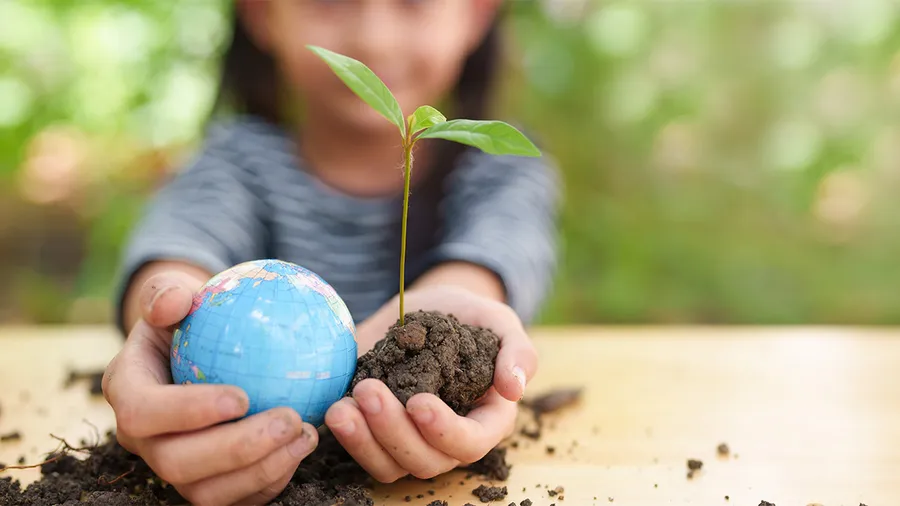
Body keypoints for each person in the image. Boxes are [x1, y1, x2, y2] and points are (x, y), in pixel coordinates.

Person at [101, 0, 560, 504]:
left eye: (414, 3)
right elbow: (179, 248)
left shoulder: (498, 173)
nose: (373, 40)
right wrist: (166, 318)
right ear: (260, 13)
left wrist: (450, 327)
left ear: (475, 15)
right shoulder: (235, 163)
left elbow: (489, 262)